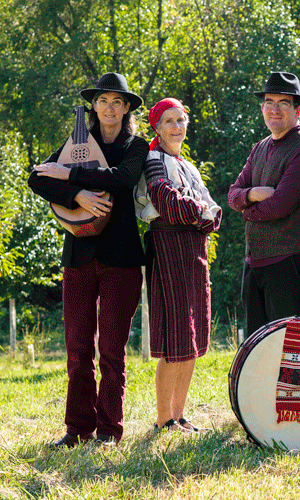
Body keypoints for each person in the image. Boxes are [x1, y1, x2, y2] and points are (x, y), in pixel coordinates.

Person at [28, 72, 148, 447]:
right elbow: (37, 177)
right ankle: (77, 429)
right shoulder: (77, 143)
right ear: (93, 107)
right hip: (78, 257)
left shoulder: (136, 146)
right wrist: (77, 194)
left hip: (122, 259)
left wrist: (71, 175)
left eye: (117, 102)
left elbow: (124, 179)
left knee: (111, 351)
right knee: (78, 350)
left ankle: (109, 430)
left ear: (126, 108)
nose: (109, 108)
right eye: (102, 101)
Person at [134, 98, 222, 433]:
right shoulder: (154, 160)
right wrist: (200, 212)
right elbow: (166, 201)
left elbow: (214, 211)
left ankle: (179, 414)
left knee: (192, 337)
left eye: (181, 121)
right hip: (168, 246)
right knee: (175, 338)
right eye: (169, 121)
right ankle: (162, 419)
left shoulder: (188, 166)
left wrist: (202, 213)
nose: (176, 127)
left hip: (195, 251)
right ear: (157, 127)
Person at [228, 72, 300, 338]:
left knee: (287, 348)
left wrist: (245, 209)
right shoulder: (260, 147)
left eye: (284, 103)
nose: (275, 109)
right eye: (269, 102)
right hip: (255, 262)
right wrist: (253, 194)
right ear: (262, 109)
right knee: (257, 350)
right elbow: (233, 194)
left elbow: (281, 205)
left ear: (298, 110)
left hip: (290, 263)